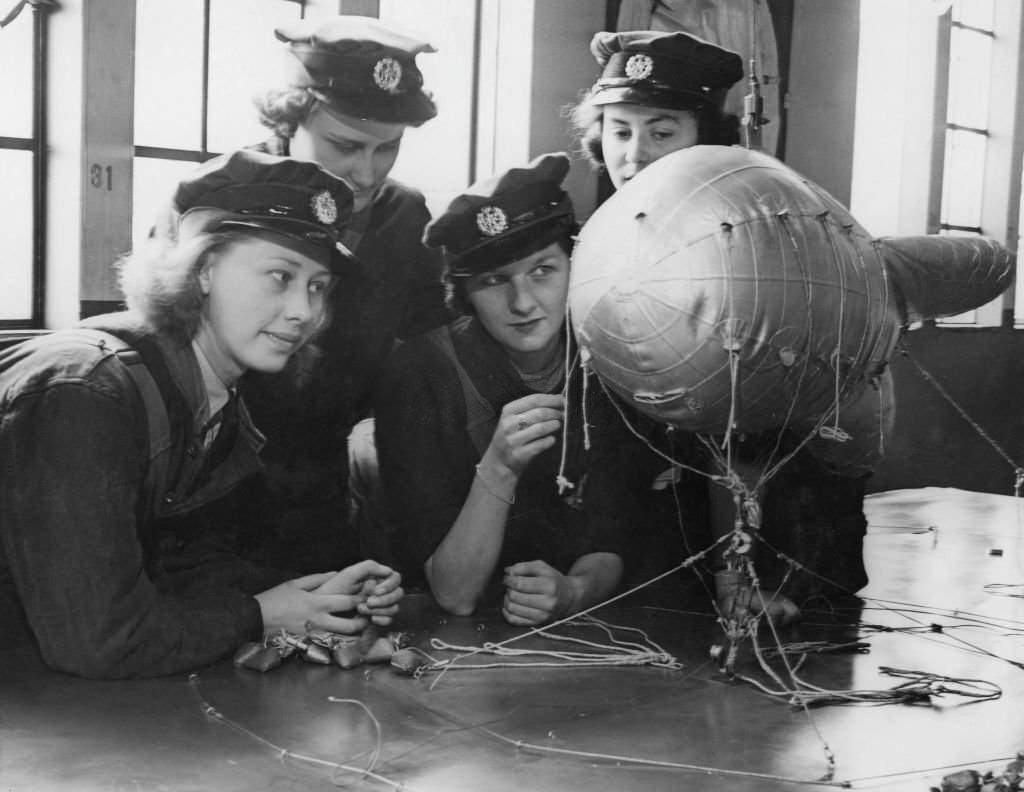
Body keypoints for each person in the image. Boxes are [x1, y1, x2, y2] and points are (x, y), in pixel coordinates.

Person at [0, 150, 402, 679]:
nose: (303, 312)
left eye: (317, 286)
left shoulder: (208, 393)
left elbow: (173, 566)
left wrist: (317, 596)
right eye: (280, 276)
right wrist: (260, 614)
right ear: (204, 270)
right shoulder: (88, 394)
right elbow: (102, 639)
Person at [569, 30, 868, 621]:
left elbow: (772, 420)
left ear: (705, 139)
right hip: (650, 544)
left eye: (662, 133)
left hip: (775, 532)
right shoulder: (593, 243)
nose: (635, 155)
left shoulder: (764, 240)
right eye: (620, 131)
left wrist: (747, 574)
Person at [373, 154, 648, 626]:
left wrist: (575, 591)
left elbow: (614, 530)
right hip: (451, 634)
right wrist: (499, 466)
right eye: (494, 280)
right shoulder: (420, 372)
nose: (522, 303)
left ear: (575, 267)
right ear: (464, 294)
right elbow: (454, 593)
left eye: (543, 271)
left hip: (579, 631)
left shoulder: (607, 358)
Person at [240, 16, 450, 571]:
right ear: (289, 121)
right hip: (216, 499)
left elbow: (426, 359)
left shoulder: (404, 217)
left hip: (328, 498)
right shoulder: (222, 203)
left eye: (388, 148)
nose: (366, 173)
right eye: (344, 145)